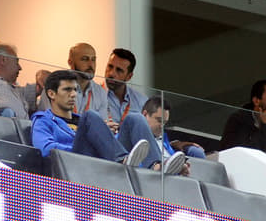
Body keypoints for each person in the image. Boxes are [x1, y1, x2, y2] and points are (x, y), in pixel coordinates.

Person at [32, 70, 186, 174]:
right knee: (91, 116)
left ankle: (156, 166)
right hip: (76, 162)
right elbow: (45, 149)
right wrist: (89, 138)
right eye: (67, 90)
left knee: (135, 118)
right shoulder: (43, 120)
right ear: (51, 93)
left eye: (75, 90)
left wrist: (102, 136)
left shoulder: (81, 120)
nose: (73, 94)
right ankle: (122, 159)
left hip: (103, 159)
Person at [38, 42, 109, 121]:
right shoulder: (54, 85)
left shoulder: (100, 92)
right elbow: (50, 121)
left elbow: (101, 124)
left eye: (93, 59)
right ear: (70, 62)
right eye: (85, 59)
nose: (91, 64)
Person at [142, 96, 207, 159]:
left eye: (164, 122)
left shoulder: (163, 137)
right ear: (145, 115)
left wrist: (176, 144)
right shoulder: (137, 135)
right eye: (159, 120)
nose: (162, 126)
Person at [104, 48, 148, 125]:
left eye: (119, 70)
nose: (111, 73)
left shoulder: (142, 102)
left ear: (129, 76)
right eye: (110, 66)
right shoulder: (93, 94)